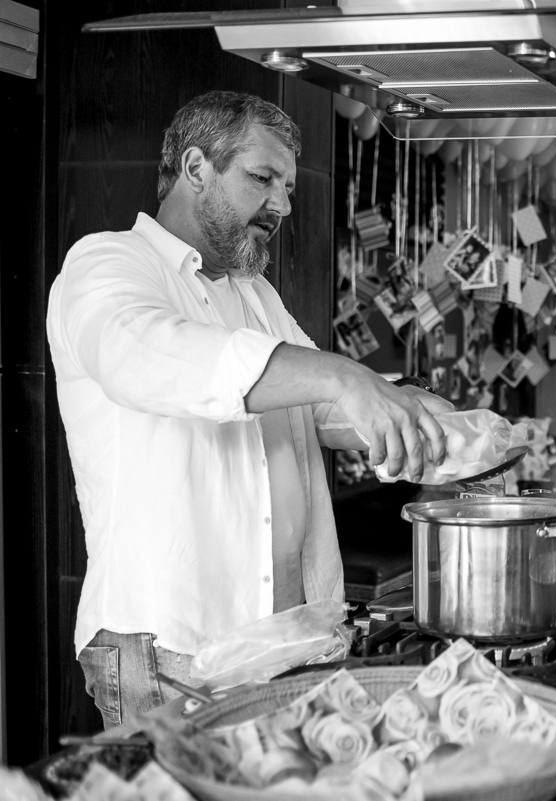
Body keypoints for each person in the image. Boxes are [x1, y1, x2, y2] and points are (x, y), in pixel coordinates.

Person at [47, 91, 453, 727]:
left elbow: (320, 408)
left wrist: (415, 412)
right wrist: (345, 376)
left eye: (287, 187)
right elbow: (150, 356)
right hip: (172, 650)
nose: (282, 206)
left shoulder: (254, 291)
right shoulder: (106, 263)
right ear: (196, 167)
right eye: (262, 178)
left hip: (285, 638)